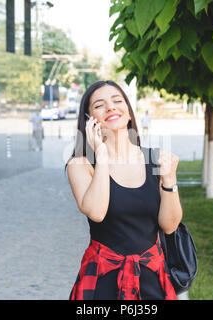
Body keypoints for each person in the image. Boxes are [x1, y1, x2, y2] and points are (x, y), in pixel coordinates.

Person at [65, 80, 183, 300]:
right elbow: (97, 211)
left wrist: (169, 179)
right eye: (99, 105)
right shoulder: (80, 165)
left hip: (151, 277)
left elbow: (170, 225)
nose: (110, 107)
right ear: (90, 121)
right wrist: (100, 154)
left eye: (117, 101)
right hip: (102, 278)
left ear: (129, 113)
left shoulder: (156, 160)